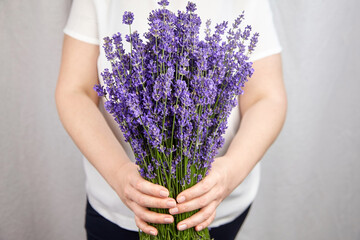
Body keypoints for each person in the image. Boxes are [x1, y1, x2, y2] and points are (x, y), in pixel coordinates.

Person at [55, 0, 287, 239]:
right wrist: (119, 173)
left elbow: (267, 97)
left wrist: (230, 172)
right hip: (121, 207)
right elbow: (75, 91)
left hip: (215, 206)